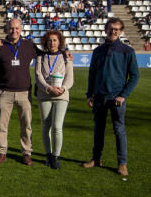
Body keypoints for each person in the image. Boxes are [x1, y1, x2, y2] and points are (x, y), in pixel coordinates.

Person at [83, 18, 139, 176]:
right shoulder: (98, 51)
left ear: (121, 32)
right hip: (99, 97)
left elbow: (134, 76)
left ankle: (122, 163)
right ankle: (96, 159)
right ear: (105, 30)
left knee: (119, 130)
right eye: (110, 28)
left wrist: (123, 95)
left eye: (116, 29)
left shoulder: (127, 51)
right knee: (98, 129)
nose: (113, 31)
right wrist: (89, 95)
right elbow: (92, 75)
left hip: (116, 98)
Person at [0, 18, 43, 166]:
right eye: (11, 28)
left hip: (24, 93)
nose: (14, 31)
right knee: (1, 125)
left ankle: (26, 153)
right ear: (6, 29)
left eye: (17, 28)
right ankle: (2, 152)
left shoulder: (29, 45)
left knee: (26, 124)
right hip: (4, 92)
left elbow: (46, 54)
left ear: (21, 30)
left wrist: (64, 53)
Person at [36, 30, 74, 169]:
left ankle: (56, 157)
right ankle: (48, 155)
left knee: (57, 127)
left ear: (60, 42)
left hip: (61, 96)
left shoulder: (65, 57)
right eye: (49, 40)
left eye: (55, 40)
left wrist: (63, 88)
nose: (52, 43)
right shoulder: (41, 57)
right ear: (45, 42)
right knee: (45, 127)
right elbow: (38, 77)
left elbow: (70, 78)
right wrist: (48, 88)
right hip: (44, 95)